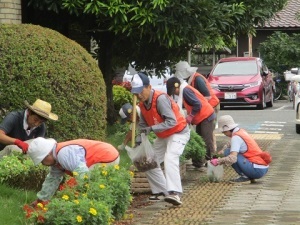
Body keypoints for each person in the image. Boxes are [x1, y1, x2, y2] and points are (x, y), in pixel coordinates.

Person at [131, 72, 190, 206]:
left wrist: (151, 129)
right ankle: (161, 192)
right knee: (147, 161)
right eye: (135, 92)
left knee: (170, 158)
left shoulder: (160, 99)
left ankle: (175, 193)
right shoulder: (142, 104)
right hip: (163, 135)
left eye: (140, 91)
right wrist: (140, 139)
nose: (138, 95)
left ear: (148, 87)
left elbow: (172, 122)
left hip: (178, 132)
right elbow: (143, 124)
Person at [27, 137, 120, 205]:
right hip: (107, 154)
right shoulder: (56, 160)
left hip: (106, 157)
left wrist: (74, 199)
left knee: (91, 188)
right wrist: (41, 200)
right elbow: (52, 180)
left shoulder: (63, 154)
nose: (43, 164)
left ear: (47, 155)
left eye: (42, 161)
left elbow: (83, 175)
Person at [166, 76, 216, 165]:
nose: (176, 94)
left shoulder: (185, 91)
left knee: (206, 140)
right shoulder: (184, 90)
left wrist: (191, 116)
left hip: (206, 116)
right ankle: (199, 162)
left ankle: (211, 162)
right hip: (201, 117)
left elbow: (197, 104)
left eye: (174, 92)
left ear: (177, 86)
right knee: (200, 140)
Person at [210, 115, 271, 183]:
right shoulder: (241, 131)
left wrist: (218, 161)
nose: (224, 134)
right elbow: (231, 143)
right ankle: (249, 176)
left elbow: (232, 158)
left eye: (224, 132)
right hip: (263, 167)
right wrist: (222, 150)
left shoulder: (236, 138)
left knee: (228, 153)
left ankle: (245, 176)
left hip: (257, 170)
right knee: (228, 150)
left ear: (227, 129)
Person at [174, 61, 220, 151]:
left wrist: (192, 113)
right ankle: (205, 158)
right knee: (201, 135)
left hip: (211, 106)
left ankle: (211, 158)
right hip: (202, 109)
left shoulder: (197, 79)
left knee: (207, 135)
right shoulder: (189, 80)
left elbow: (207, 96)